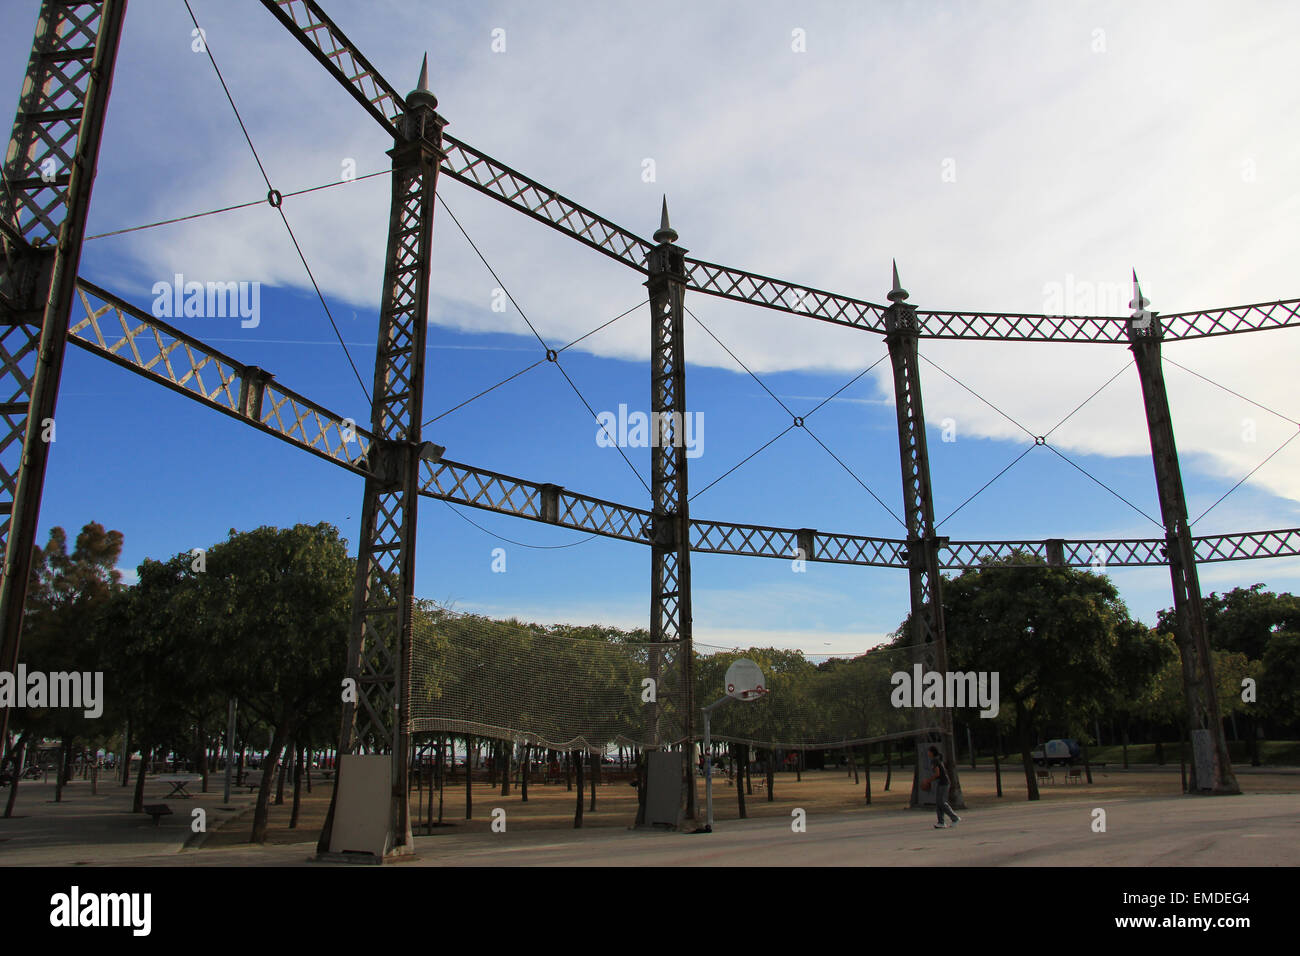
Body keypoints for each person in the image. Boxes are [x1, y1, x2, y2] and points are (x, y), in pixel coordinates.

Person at [927, 745, 961, 829]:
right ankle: (941, 822)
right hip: (941, 783)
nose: (927, 753)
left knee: (941, 802)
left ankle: (955, 818)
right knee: (938, 803)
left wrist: (927, 781)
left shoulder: (935, 760)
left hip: (944, 783)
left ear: (931, 752)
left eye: (928, 751)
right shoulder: (935, 760)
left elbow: (937, 774)